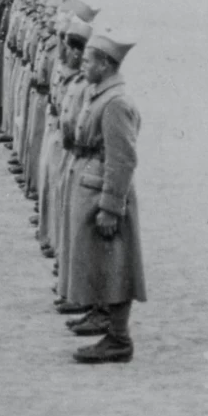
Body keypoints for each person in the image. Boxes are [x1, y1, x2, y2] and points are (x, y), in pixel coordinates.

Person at [63, 30, 146, 364]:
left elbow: (122, 159)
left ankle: (119, 338)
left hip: (104, 191)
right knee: (100, 260)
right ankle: (104, 321)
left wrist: (111, 207)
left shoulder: (116, 103)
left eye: (88, 61)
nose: (82, 65)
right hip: (92, 182)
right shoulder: (102, 94)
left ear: (106, 64)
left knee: (115, 264)